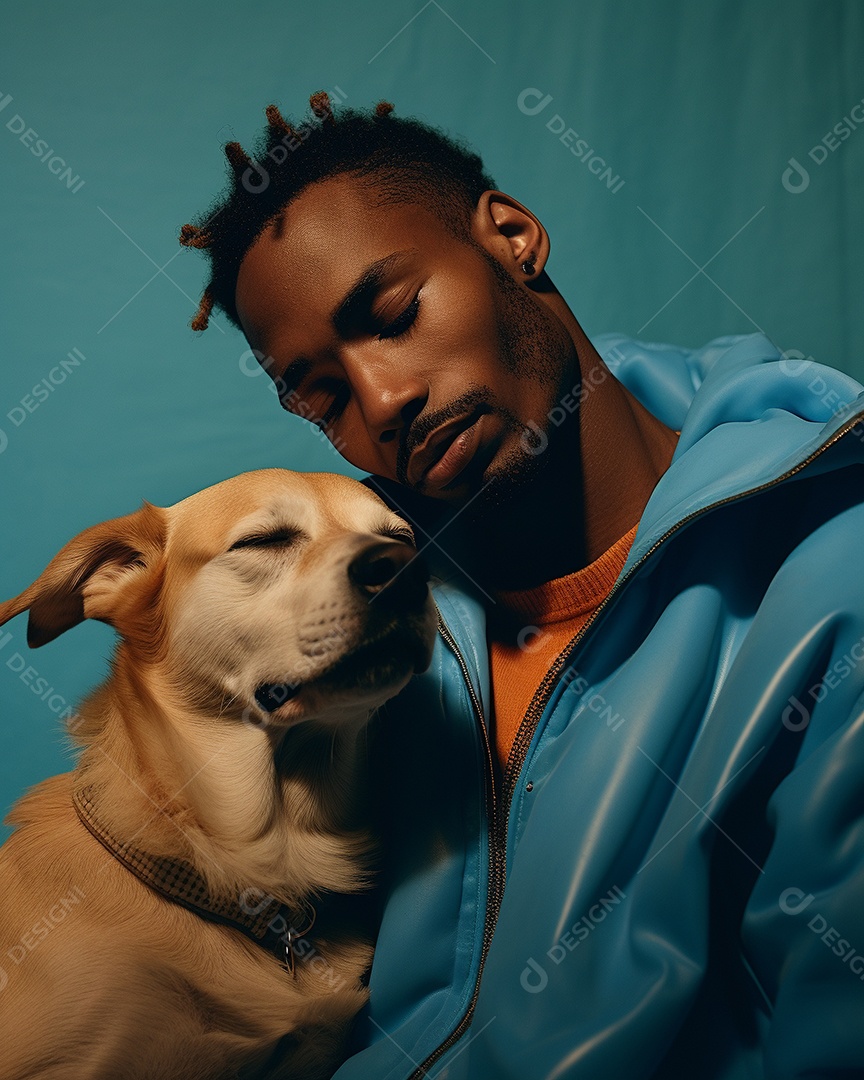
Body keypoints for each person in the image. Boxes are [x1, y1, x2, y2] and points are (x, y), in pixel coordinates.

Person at [179, 91, 864, 1079]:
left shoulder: (832, 579)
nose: (383, 400)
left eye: (395, 315)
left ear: (512, 237)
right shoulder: (355, 622)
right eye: (322, 396)